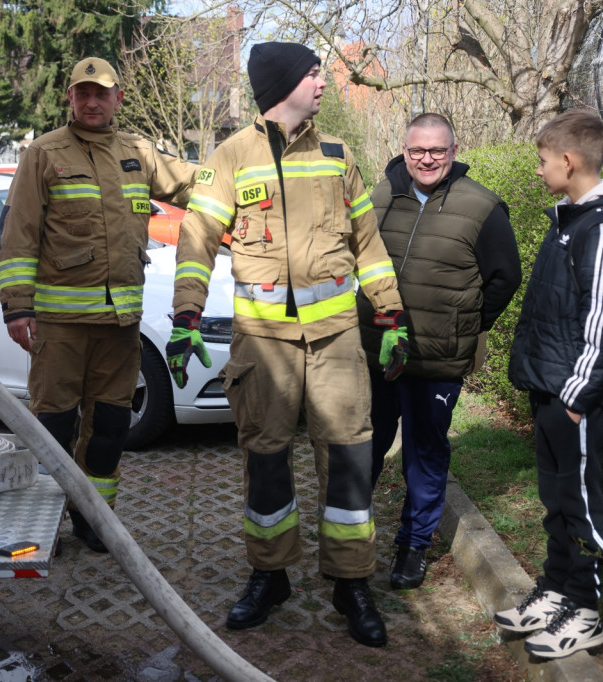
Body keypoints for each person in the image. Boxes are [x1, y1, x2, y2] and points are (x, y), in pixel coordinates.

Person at [166, 41, 404, 648]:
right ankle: (270, 576)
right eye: (313, 73)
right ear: (283, 83)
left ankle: (351, 582)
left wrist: (391, 313)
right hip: (263, 345)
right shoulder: (231, 156)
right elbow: (197, 239)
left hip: (336, 340)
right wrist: (187, 315)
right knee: (266, 461)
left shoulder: (337, 154)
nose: (323, 82)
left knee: (349, 460)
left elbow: (368, 242)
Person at [0, 57, 196, 553]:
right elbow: (17, 234)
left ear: (117, 98)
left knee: (109, 429)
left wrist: (246, 174)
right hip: (60, 327)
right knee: (53, 430)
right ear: (70, 98)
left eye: (101, 93)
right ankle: (43, 527)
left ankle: (94, 520)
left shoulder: (139, 153)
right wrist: (17, 307)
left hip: (119, 328)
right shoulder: (43, 154)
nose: (91, 102)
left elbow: (198, 180)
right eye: (82, 93)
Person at [494, 109, 603, 658]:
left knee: (580, 506)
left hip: (575, 397)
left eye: (542, 160)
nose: (538, 170)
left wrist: (577, 398)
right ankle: (556, 591)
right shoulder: (570, 223)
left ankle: (585, 612)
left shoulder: (602, 230)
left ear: (569, 160)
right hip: (552, 391)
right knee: (557, 501)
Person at [357, 113, 522, 590]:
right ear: (404, 150)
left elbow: (505, 277)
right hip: (377, 351)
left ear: (453, 151)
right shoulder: (380, 197)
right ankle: (351, 536)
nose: (426, 159)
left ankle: (413, 546)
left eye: (437, 150)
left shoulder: (483, 207)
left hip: (438, 360)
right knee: (364, 446)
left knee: (424, 454)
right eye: (417, 150)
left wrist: (465, 327)